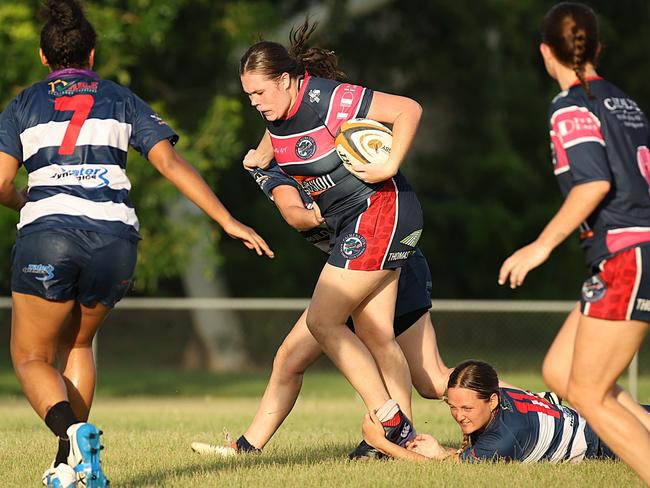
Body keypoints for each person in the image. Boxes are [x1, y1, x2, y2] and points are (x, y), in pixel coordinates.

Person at [0, 1, 273, 486]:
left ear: (44, 58)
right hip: (115, 239)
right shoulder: (121, 98)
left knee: (31, 358)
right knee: (79, 342)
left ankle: (72, 433)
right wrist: (227, 220)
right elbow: (169, 164)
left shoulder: (23, 104)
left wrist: (20, 197)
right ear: (92, 53)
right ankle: (71, 463)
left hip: (49, 235)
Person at [239, 18, 424, 450]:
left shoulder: (328, 98)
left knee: (324, 321)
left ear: (285, 80)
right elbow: (265, 153)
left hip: (380, 212)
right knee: (377, 333)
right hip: (358, 224)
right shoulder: (275, 116)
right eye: (248, 96)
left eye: (260, 92)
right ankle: (403, 442)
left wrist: (390, 163)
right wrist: (256, 162)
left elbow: (408, 109)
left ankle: (389, 418)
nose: (255, 103)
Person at [192, 163, 451, 460]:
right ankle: (246, 448)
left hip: (392, 260)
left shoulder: (325, 150)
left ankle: (403, 435)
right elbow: (295, 215)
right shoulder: (278, 164)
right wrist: (329, 208)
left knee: (429, 377)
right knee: (292, 357)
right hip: (355, 264)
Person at [498, 3, 650, 483]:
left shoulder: (570, 106)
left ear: (546, 52)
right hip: (628, 253)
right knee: (561, 373)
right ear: (597, 48)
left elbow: (593, 185)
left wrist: (541, 245)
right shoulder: (625, 102)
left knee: (586, 391)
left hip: (626, 255)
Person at [362, 360, 649, 463]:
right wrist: (440, 451)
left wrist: (381, 444)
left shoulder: (505, 435)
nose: (459, 415)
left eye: (467, 407)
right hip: (615, 418)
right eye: (452, 407)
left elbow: (453, 472)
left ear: (492, 401)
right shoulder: (504, 396)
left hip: (617, 438)